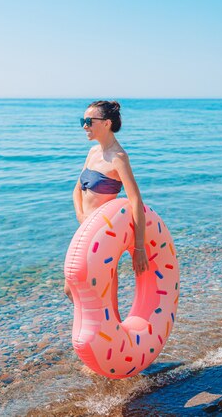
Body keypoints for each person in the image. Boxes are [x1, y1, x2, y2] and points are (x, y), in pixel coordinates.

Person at [64, 100, 150, 313]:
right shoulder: (93, 152)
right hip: (84, 229)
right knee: (70, 288)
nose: (84, 126)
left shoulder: (119, 158)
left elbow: (135, 200)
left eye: (89, 121)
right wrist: (81, 217)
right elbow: (76, 189)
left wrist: (139, 248)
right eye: (82, 121)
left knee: (104, 291)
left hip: (102, 234)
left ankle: (112, 335)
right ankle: (98, 332)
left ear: (106, 123)